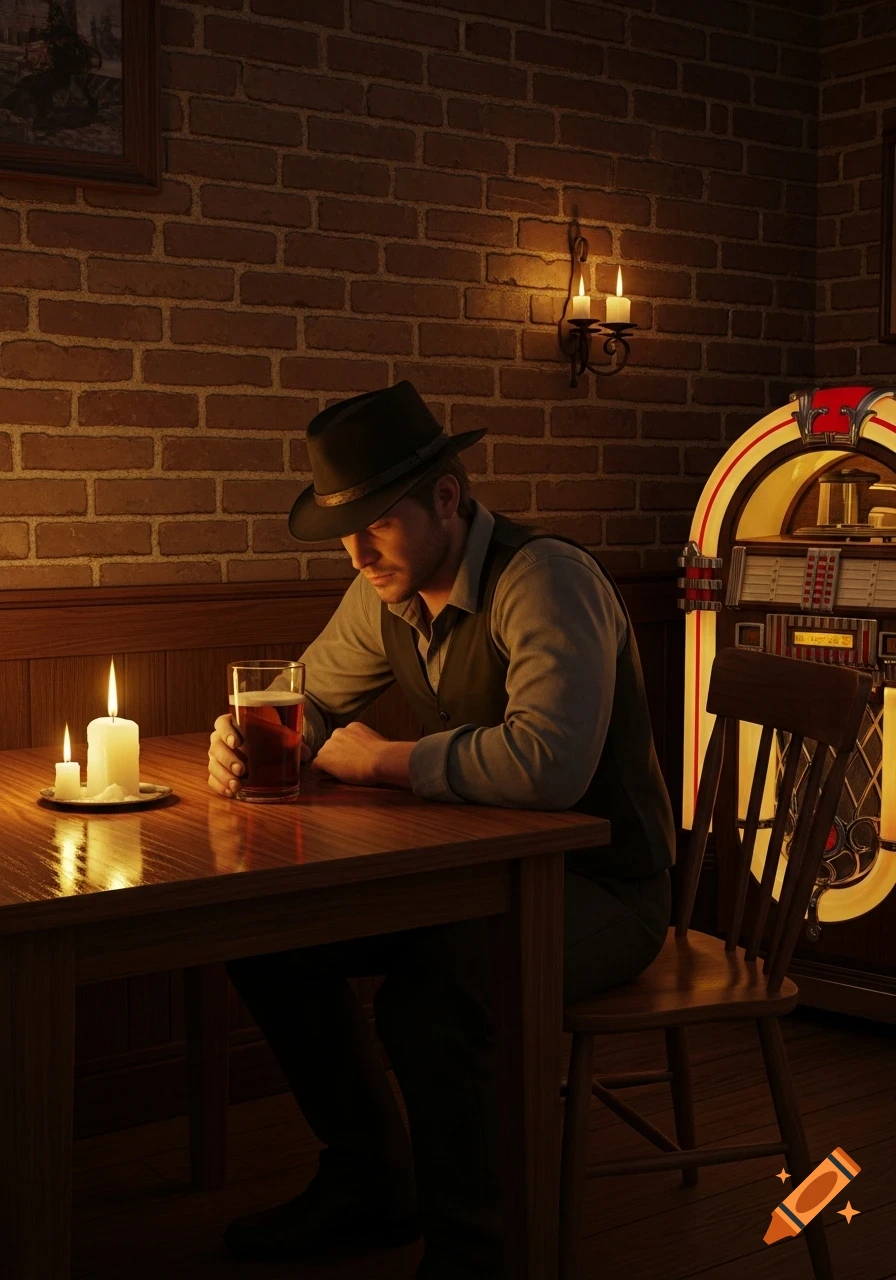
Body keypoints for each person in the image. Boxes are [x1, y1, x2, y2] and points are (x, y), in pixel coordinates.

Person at [207, 380, 676, 1279]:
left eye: (378, 523)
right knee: (269, 937)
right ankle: (372, 1184)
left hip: (605, 889)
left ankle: (474, 1255)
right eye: (345, 530)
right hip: (474, 878)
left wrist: (384, 759)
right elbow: (303, 701)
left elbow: (550, 764)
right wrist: (244, 739)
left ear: (448, 499)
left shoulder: (546, 579)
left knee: (434, 996)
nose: (357, 552)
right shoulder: (384, 588)